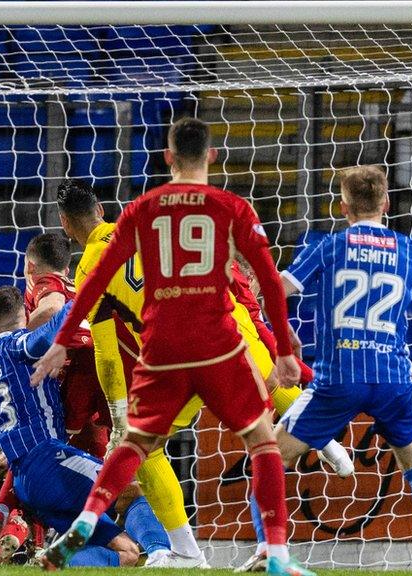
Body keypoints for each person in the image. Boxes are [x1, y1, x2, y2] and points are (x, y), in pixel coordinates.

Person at [33, 116, 314, 576]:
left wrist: (62, 340)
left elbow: (95, 282)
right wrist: (283, 349)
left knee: (137, 445)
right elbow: (266, 278)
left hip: (161, 349)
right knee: (262, 442)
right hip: (217, 345)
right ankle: (279, 557)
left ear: (167, 158)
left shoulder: (143, 209)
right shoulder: (232, 207)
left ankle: (86, 522)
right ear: (211, 156)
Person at [277, 165, 412, 576]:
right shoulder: (410, 250)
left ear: (342, 205)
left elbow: (273, 290)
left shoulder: (328, 246)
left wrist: (286, 339)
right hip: (393, 380)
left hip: (338, 377)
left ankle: (269, 551)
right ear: (386, 203)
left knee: (270, 457)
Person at [0, 286, 171, 567]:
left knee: (127, 554)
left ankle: (48, 563)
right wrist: (84, 295)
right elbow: (44, 335)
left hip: (23, 480)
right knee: (128, 489)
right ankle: (164, 555)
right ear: (26, 314)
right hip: (48, 461)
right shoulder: (18, 347)